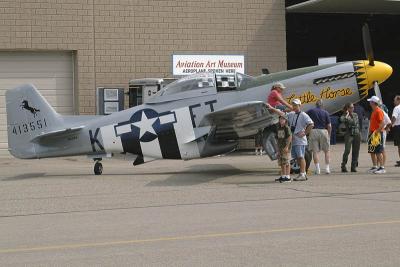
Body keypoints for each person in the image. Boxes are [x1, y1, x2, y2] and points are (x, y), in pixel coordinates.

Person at [267, 99, 314, 181]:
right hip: (294, 140)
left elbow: (311, 124)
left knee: (300, 156)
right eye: (293, 105)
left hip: (300, 140)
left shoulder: (304, 115)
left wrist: (305, 133)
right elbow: (282, 114)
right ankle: (300, 174)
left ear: (299, 105)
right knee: (296, 157)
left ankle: (303, 174)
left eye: (296, 105)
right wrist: (272, 108)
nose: (294, 107)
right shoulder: (292, 114)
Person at [306, 100, 332, 174]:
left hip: (313, 131)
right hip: (324, 131)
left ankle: (318, 170)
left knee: (315, 152)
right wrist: (329, 135)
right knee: (327, 151)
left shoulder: (311, 111)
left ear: (316, 105)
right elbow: (329, 126)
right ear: (322, 105)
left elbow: (305, 117)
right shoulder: (326, 112)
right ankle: (327, 169)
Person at [340, 103, 361, 172]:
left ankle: (353, 166)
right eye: (351, 107)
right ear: (347, 108)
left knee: (356, 151)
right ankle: (343, 165)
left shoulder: (355, 115)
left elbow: (354, 122)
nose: (353, 109)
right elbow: (342, 120)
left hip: (357, 133)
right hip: (349, 134)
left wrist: (348, 118)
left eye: (353, 107)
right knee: (347, 150)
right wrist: (347, 115)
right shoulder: (344, 115)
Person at [367, 96, 386, 174]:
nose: (369, 103)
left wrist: (377, 132)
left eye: (370, 101)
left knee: (378, 151)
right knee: (372, 150)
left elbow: (382, 123)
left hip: (376, 133)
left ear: (373, 103)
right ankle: (375, 166)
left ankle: (382, 167)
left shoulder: (378, 111)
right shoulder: (374, 110)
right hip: (372, 132)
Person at [274, 114, 292, 182]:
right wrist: (277, 149)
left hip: (285, 148)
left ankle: (288, 177)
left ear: (286, 120)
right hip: (280, 147)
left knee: (286, 162)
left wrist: (287, 146)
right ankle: (283, 176)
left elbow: (290, 137)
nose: (281, 120)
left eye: (283, 119)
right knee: (281, 162)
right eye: (280, 119)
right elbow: (277, 139)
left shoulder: (286, 128)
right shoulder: (279, 128)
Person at [391, 95, 400, 167]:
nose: (394, 102)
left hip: (398, 127)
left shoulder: (396, 108)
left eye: (395, 100)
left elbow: (394, 117)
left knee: (399, 146)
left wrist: (391, 124)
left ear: (398, 100)